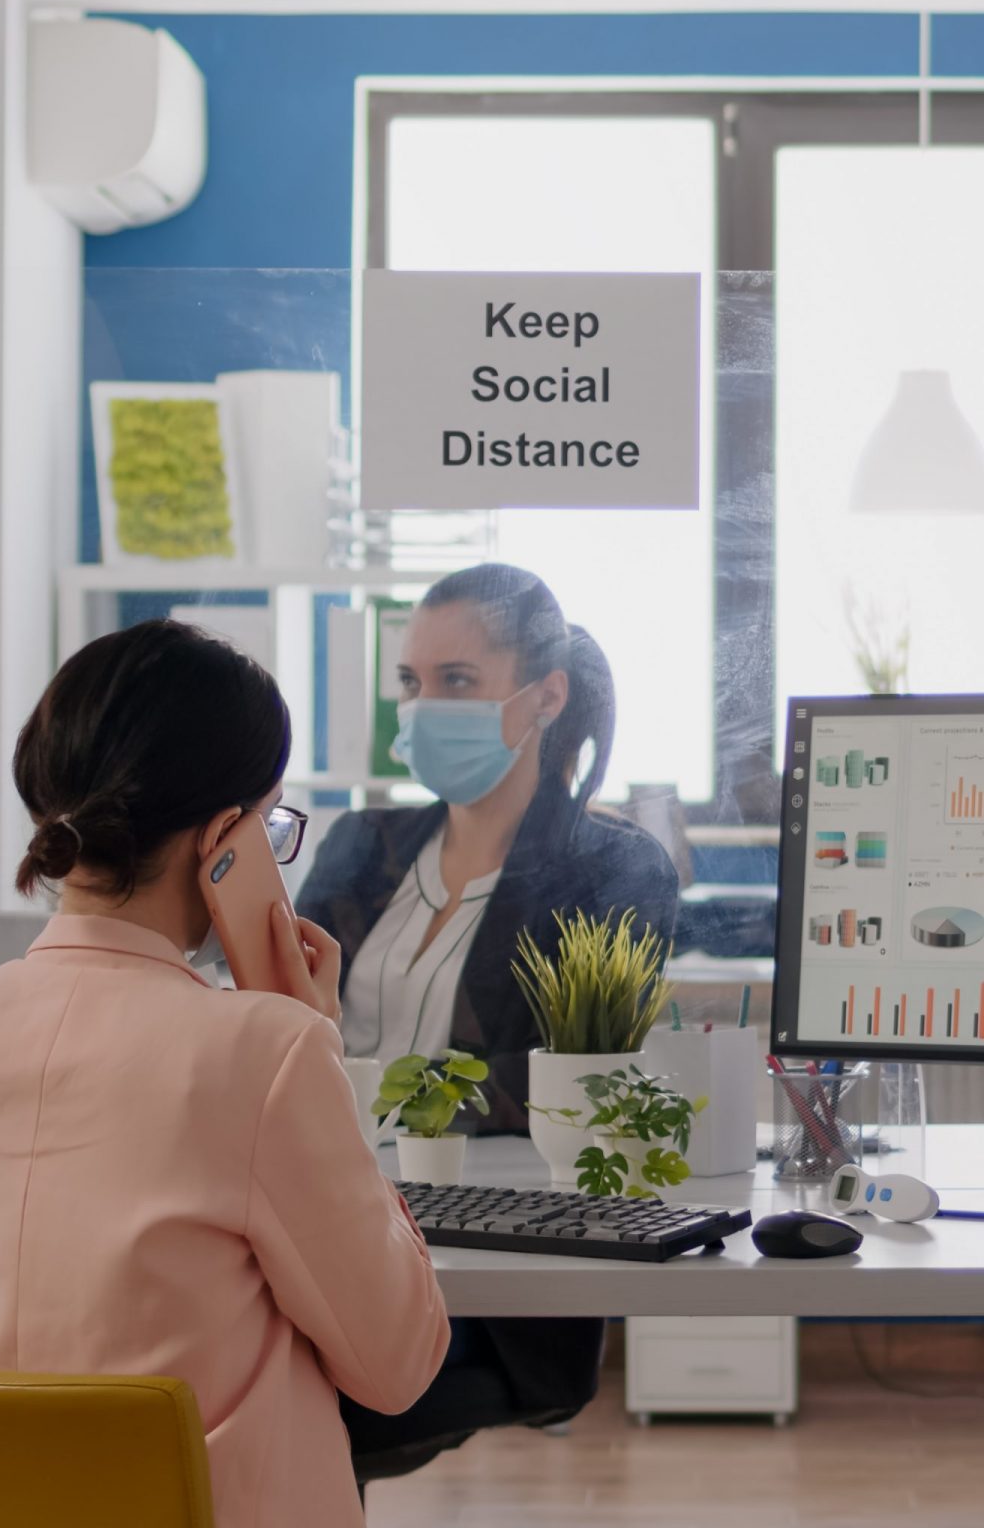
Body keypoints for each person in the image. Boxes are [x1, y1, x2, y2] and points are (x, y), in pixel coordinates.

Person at [0, 620, 449, 1528]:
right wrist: (310, 1033)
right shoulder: (266, 1052)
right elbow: (398, 1366)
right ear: (223, 842)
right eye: (271, 826)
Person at [297, 563, 679, 1466]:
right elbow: (274, 1029)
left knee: (288, 1397)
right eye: (412, 684)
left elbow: (563, 1094)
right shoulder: (363, 846)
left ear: (546, 697)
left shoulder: (614, 873)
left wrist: (352, 1101)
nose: (424, 709)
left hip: (481, 1275)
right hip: (321, 1234)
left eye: (457, 682)